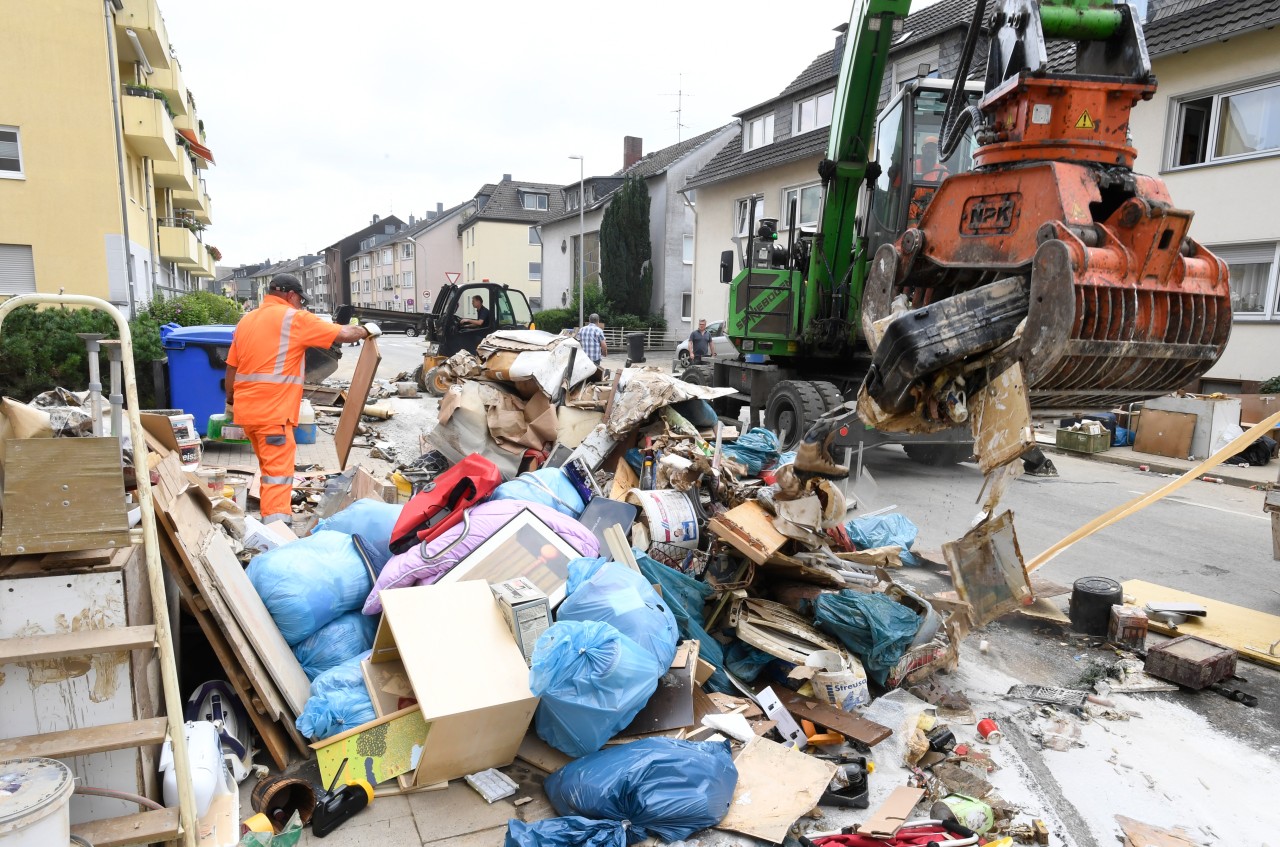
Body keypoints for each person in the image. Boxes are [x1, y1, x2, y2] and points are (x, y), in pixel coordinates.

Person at [225, 274, 379, 525]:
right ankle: (276, 532)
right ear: (290, 295)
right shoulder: (293, 318)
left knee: (268, 469)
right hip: (273, 413)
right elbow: (343, 334)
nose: (301, 306)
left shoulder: (247, 320)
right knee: (278, 474)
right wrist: (366, 329)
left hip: (247, 412)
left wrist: (231, 402)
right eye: (300, 300)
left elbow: (231, 368)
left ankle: (270, 520)